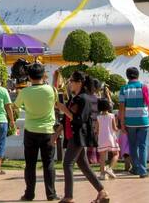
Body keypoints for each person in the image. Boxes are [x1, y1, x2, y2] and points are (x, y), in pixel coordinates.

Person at [57, 72, 109, 203]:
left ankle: (68, 196)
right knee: (83, 165)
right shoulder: (78, 97)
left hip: (79, 135)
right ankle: (102, 192)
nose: (70, 83)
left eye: (72, 81)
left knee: (68, 163)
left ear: (79, 82)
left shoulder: (84, 98)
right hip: (74, 134)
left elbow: (80, 120)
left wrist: (64, 109)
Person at [14, 63, 57, 201]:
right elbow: (56, 103)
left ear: (29, 76)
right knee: (48, 163)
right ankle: (51, 194)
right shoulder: (51, 90)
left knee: (30, 164)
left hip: (31, 130)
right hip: (48, 131)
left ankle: (29, 194)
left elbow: (16, 106)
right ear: (43, 75)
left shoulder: (25, 92)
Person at [118, 66, 149, 178]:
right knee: (143, 146)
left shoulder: (124, 89)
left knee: (133, 146)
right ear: (138, 75)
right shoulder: (145, 88)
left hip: (130, 122)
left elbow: (121, 108)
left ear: (127, 76)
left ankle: (135, 168)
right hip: (143, 121)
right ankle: (143, 171)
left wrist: (122, 123)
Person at [95, 98, 120, 180]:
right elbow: (115, 128)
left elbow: (96, 130)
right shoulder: (112, 116)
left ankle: (102, 174)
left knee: (102, 157)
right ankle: (110, 168)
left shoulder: (98, 117)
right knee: (116, 154)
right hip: (111, 138)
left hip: (101, 138)